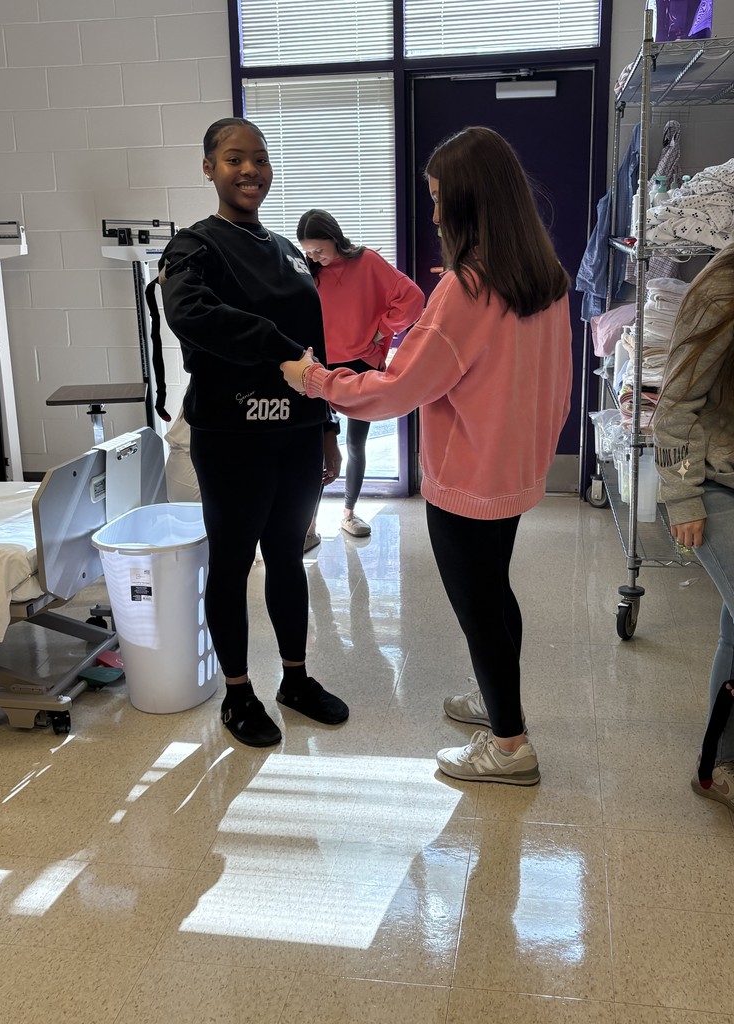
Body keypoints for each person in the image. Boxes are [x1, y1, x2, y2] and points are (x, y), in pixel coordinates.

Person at [281, 126, 572, 785]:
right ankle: (497, 705)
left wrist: (315, 379)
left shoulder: (468, 289)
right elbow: (546, 372)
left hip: (468, 480)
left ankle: (509, 745)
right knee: (494, 596)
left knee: (479, 608)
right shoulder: (541, 275)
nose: (434, 213)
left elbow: (397, 390)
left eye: (441, 198)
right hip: (513, 469)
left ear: (472, 203)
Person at [158, 116, 348, 748]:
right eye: (234, 159)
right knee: (234, 563)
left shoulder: (290, 251)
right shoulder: (194, 248)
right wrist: (275, 347)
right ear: (209, 168)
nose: (250, 171)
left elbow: (314, 345)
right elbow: (193, 317)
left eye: (260, 159)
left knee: (289, 557)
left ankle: (295, 679)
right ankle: (238, 692)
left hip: (295, 434)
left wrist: (327, 425)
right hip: (232, 435)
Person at [652, 243, 734, 809]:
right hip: (713, 481)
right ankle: (720, 764)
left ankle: (717, 764)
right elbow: (675, 403)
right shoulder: (720, 287)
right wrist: (683, 499)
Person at [296, 209, 425, 544]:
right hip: (320, 369)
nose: (315, 257)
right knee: (315, 448)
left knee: (355, 444)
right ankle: (308, 525)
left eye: (320, 250)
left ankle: (349, 513)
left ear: (336, 239)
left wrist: (382, 331)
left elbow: (412, 300)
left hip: (363, 365)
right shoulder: (307, 271)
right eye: (308, 251)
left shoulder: (367, 262)